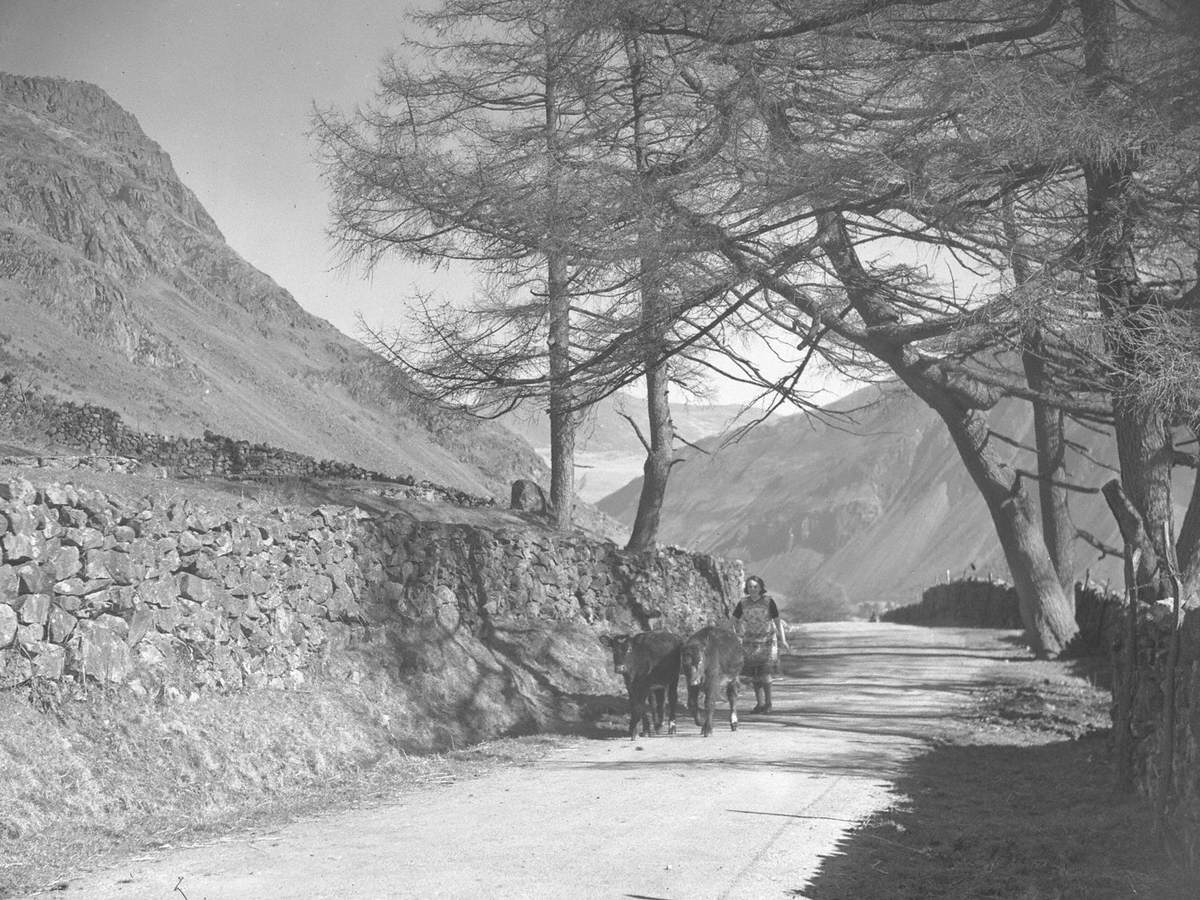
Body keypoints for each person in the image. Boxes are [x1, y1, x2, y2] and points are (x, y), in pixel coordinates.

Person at [732, 575, 789, 713]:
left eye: (755, 586)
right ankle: (759, 704)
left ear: (761, 587)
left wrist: (783, 640)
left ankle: (768, 703)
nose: (753, 589)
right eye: (750, 586)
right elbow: (733, 619)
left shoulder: (769, 602)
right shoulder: (743, 603)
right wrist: (734, 635)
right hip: (750, 642)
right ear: (747, 588)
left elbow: (776, 621)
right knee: (754, 674)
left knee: (765, 673)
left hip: (767, 641)